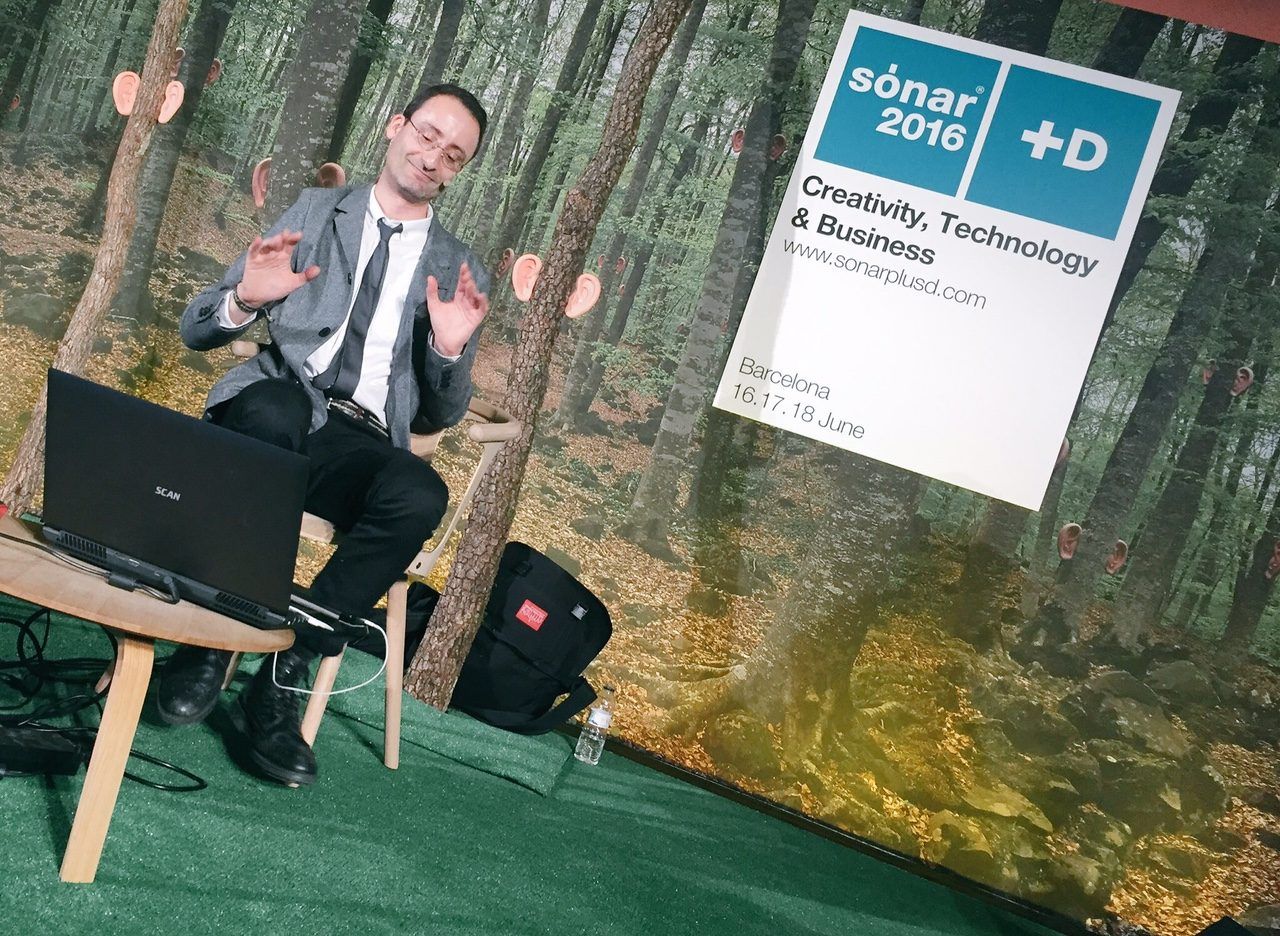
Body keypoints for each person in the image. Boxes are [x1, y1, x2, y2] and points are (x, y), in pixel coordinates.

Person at [159, 84, 491, 788]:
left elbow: (440, 415)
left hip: (362, 442)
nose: (433, 156)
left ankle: (285, 669)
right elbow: (196, 327)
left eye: (453, 154)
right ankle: (212, 640)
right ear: (396, 127)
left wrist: (449, 351)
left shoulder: (456, 267)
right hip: (279, 410)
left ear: (459, 170)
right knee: (273, 410)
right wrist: (246, 298)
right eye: (427, 134)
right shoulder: (315, 211)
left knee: (420, 493)